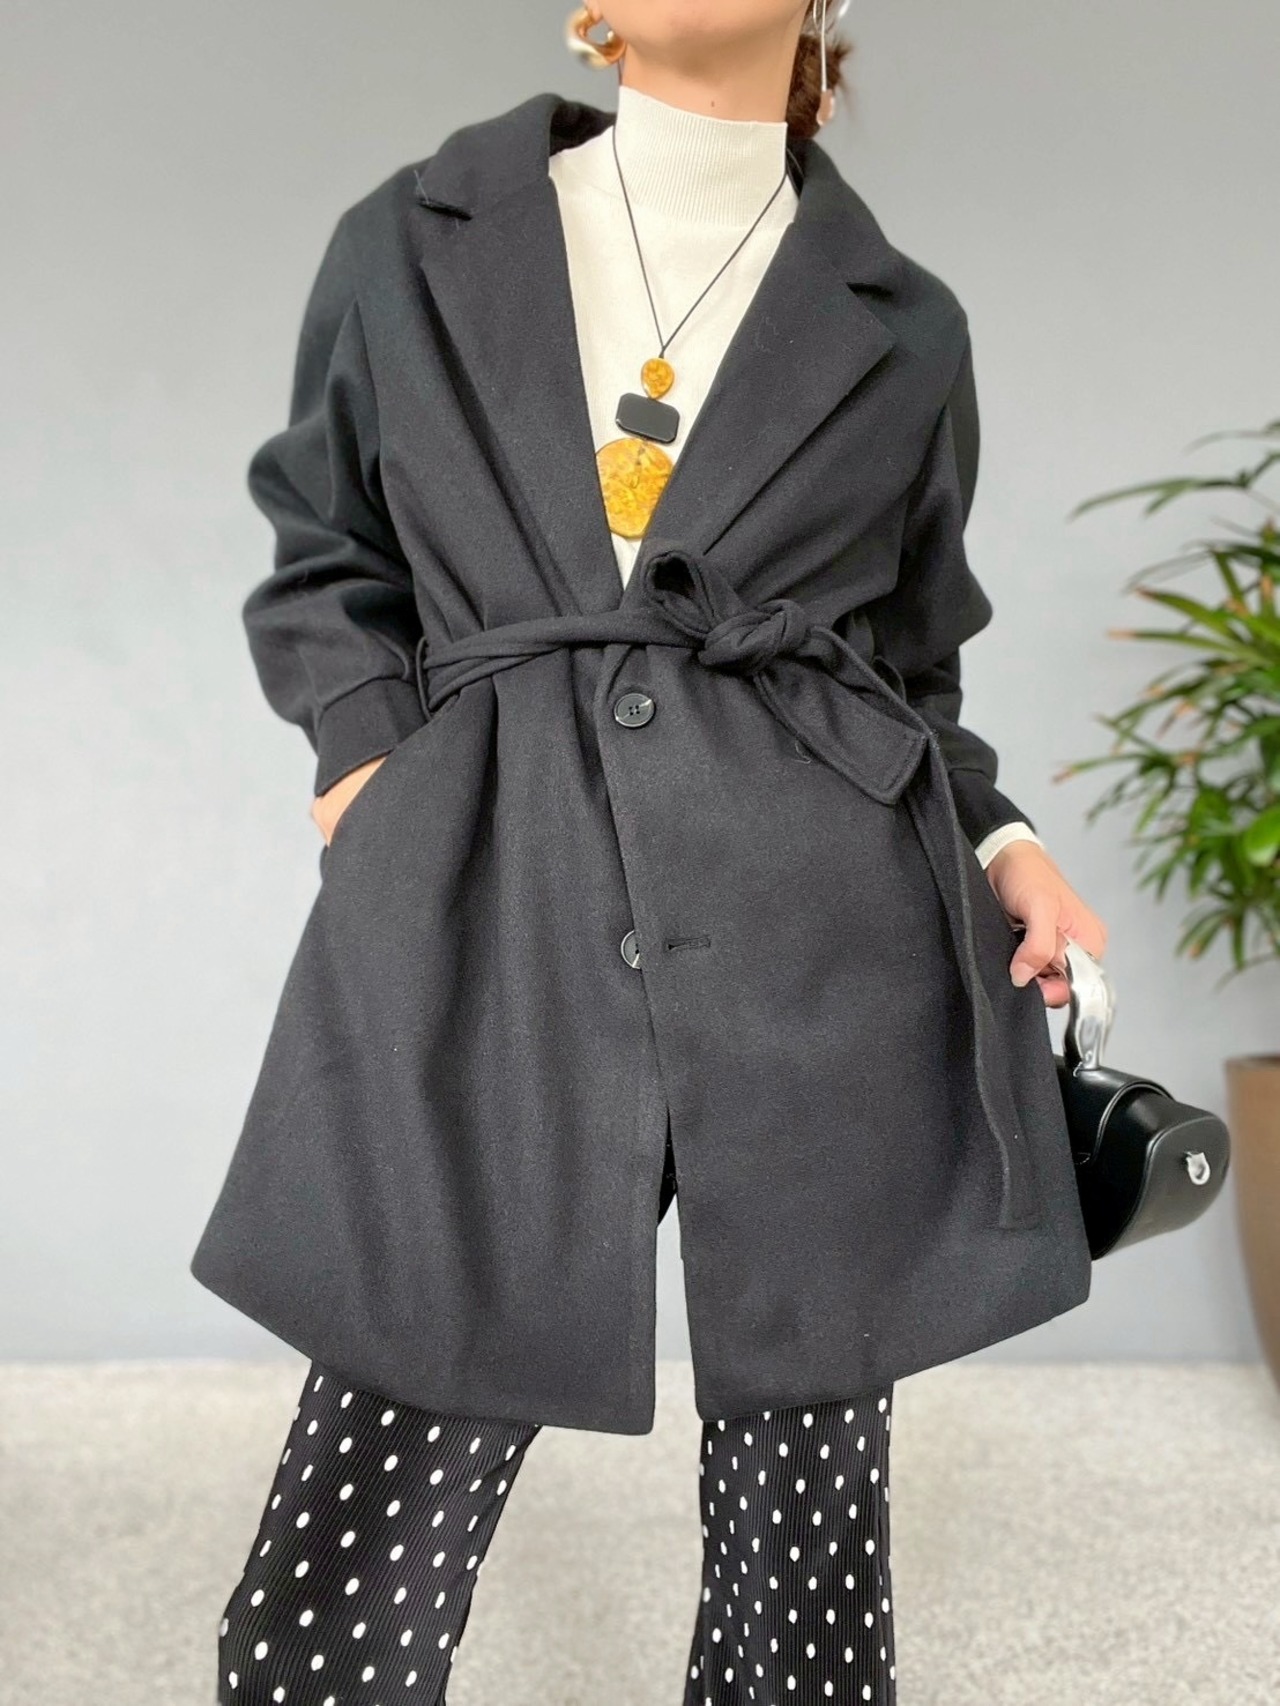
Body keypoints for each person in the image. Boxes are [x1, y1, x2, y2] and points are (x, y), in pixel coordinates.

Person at [195, 4, 1108, 1702]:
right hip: (495, 883)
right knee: (360, 1515)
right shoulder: (415, 237)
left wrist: (1005, 841)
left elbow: (907, 673)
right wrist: (372, 777)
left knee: (803, 1548)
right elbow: (326, 549)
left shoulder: (907, 327)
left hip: (816, 919)